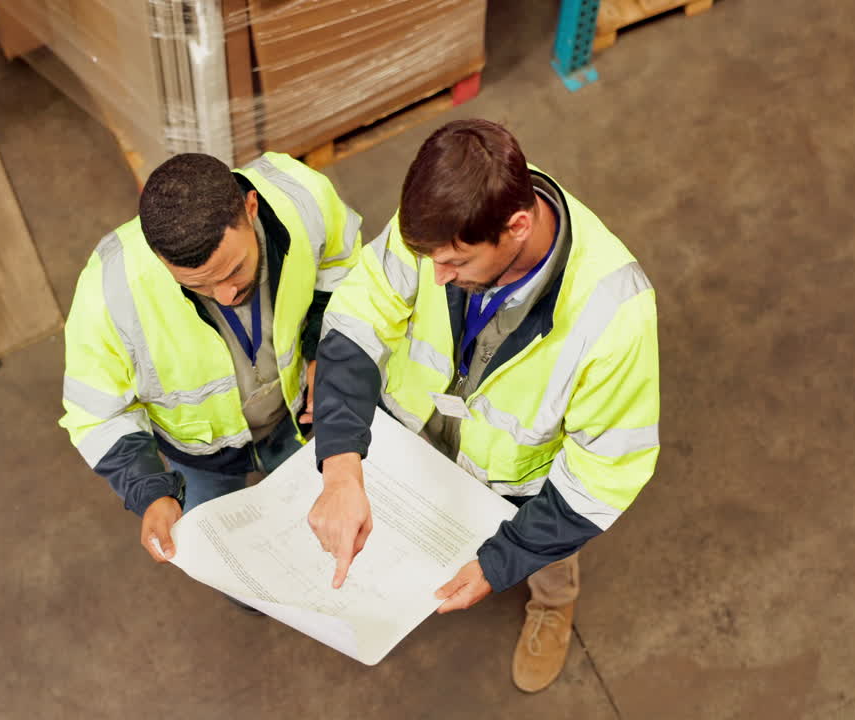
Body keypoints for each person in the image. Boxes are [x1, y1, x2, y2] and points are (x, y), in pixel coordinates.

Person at [306, 119, 659, 691]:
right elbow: (358, 317)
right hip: (424, 442)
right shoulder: (442, 224)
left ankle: (552, 605)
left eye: (456, 265)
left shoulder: (615, 315)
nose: (437, 276)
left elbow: (603, 476)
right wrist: (342, 465)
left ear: (517, 227)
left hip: (524, 489)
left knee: (547, 564)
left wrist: (503, 561)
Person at [60, 151, 362, 588]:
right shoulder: (108, 294)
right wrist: (151, 491)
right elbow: (96, 414)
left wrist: (321, 352)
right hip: (201, 458)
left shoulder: (305, 198)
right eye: (198, 285)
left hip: (296, 420)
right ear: (161, 259)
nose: (225, 295)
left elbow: (342, 266)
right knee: (231, 564)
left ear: (251, 208)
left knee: (320, 533)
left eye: (235, 270)